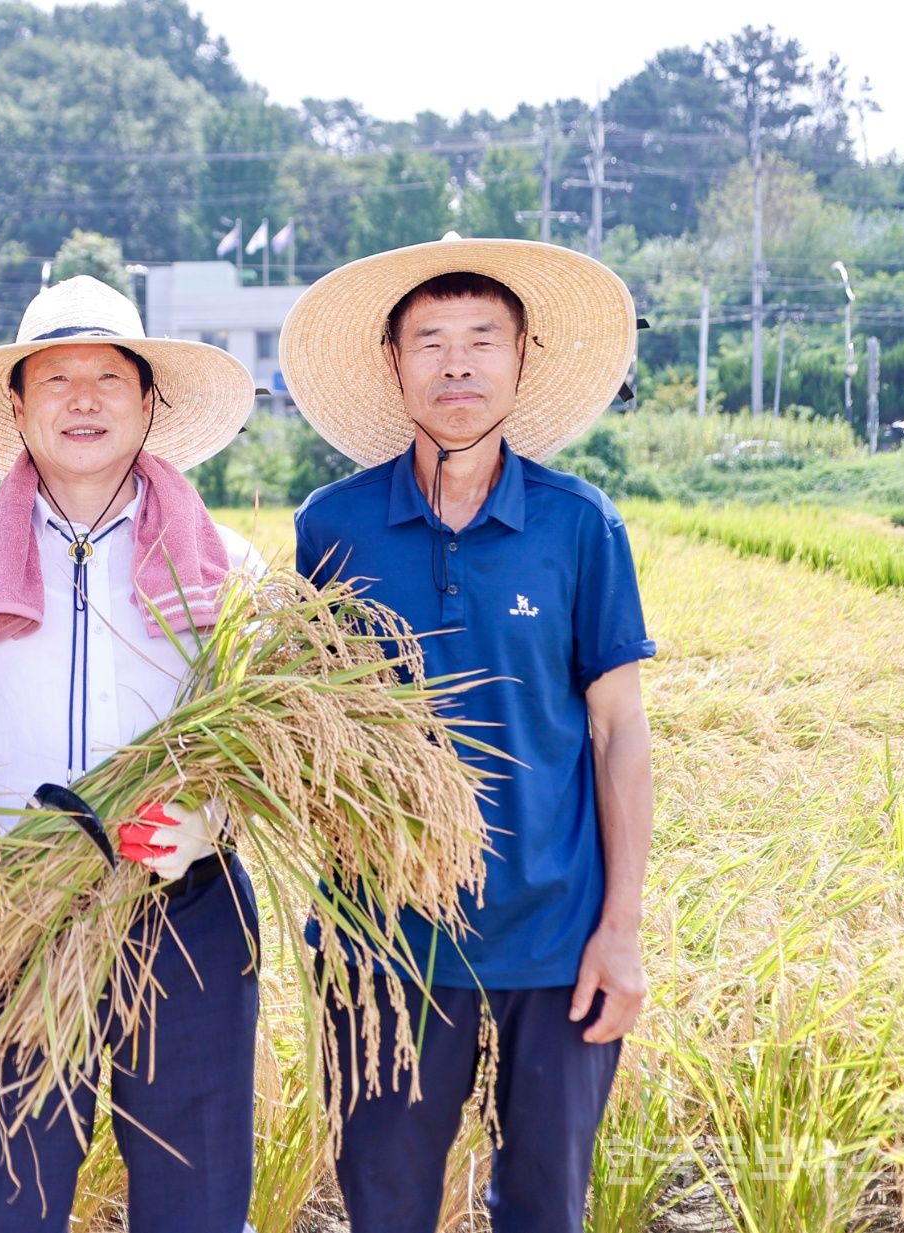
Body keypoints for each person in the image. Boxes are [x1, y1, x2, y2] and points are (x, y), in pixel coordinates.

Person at [280, 235, 655, 1233]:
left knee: (543, 1206)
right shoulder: (334, 526)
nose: (458, 363)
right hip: (382, 941)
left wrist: (618, 935)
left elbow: (619, 733)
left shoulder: (581, 525)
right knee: (385, 1204)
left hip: (554, 939)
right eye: (431, 340)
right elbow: (302, 726)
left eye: (484, 339)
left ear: (523, 359)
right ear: (394, 364)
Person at [0, 275, 263, 1233]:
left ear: (151, 401)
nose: (85, 397)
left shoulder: (228, 565)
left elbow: (266, 749)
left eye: (110, 375)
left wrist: (207, 826)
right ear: (17, 405)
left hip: (186, 907)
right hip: (17, 911)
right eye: (56, 378)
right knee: (12, 1197)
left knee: (196, 1195)